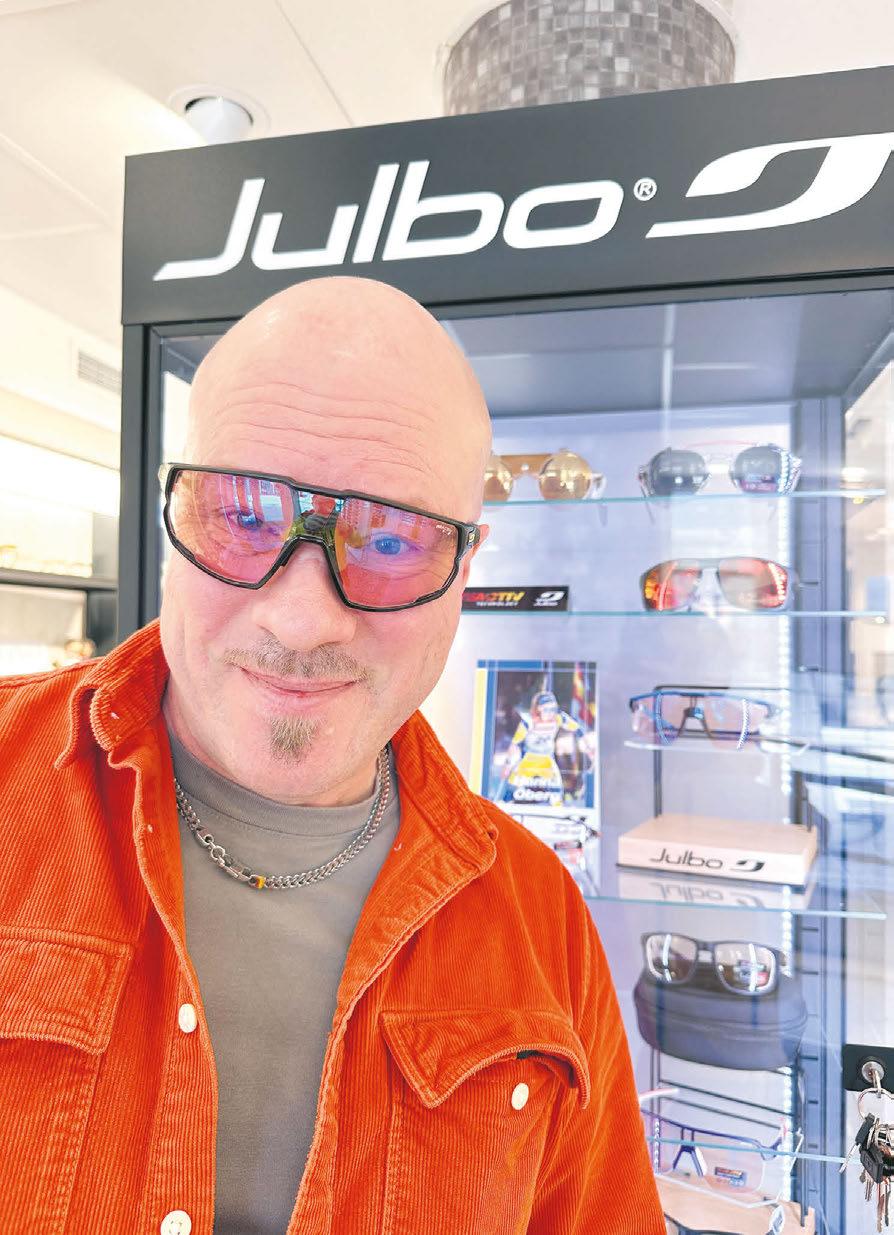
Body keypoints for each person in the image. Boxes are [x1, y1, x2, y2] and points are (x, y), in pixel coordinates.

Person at [0, 276, 663, 1235]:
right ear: (174, 515)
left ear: (465, 570)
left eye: (390, 539)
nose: (304, 618)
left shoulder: (541, 926)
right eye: (243, 515)